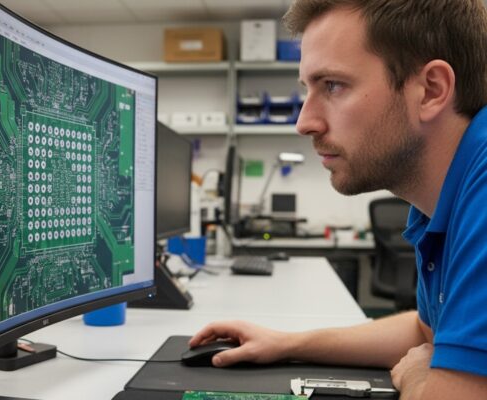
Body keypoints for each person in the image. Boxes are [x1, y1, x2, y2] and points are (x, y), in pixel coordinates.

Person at [189, 1, 487, 399]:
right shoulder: (440, 197)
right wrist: (287, 344)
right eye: (307, 89)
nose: (304, 122)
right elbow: (426, 331)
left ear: (431, 90)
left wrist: (418, 377)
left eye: (333, 85)